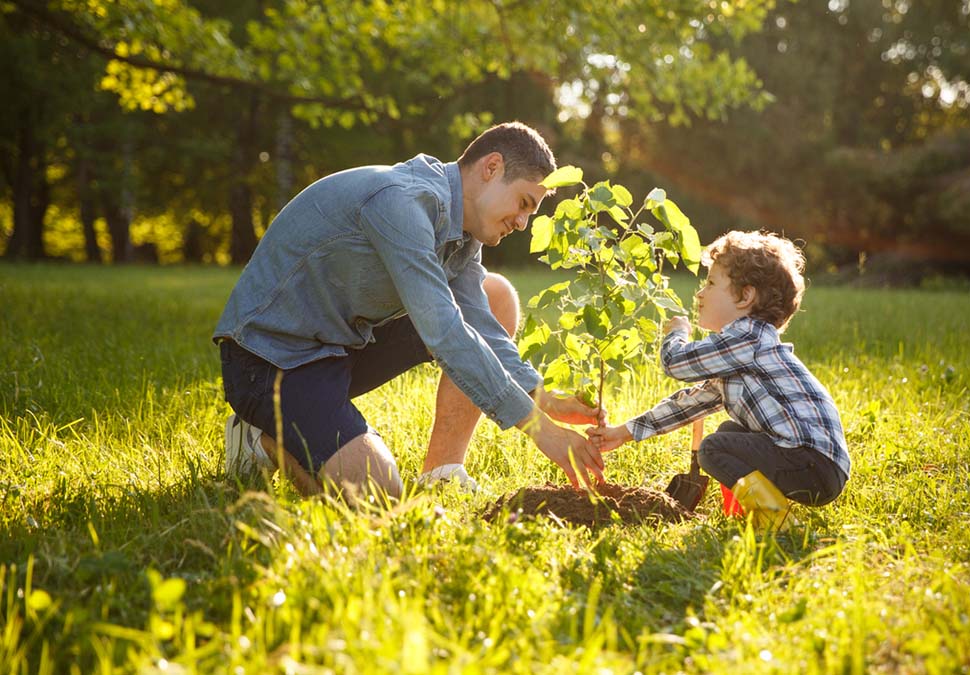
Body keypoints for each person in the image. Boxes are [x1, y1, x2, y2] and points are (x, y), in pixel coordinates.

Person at [214, 121, 606, 499]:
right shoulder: (402, 202)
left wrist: (542, 397)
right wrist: (541, 430)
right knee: (378, 495)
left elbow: (481, 324)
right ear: (492, 167)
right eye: (524, 204)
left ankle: (442, 472)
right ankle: (259, 440)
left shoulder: (463, 233)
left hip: (338, 347)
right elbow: (445, 332)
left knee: (494, 295)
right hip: (270, 361)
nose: (522, 223)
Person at [586, 231, 850, 529]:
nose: (699, 294)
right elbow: (689, 404)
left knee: (714, 449)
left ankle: (778, 523)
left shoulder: (748, 337)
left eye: (710, 283)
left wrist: (677, 333)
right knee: (729, 432)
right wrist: (624, 432)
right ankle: (750, 514)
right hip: (817, 464)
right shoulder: (742, 352)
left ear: (746, 296)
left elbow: (676, 364)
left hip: (811, 462)